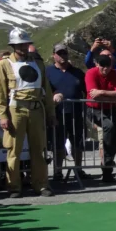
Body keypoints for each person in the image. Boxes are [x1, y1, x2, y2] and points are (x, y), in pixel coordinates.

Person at [0, 29, 56, 197]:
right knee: (14, 150)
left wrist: (51, 113)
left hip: (36, 109)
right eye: (18, 45)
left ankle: (41, 184)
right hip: (15, 109)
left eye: (25, 44)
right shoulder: (3, 64)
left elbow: (46, 90)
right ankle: (14, 186)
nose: (22, 47)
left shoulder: (38, 63)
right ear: (13, 46)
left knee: (39, 149)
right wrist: (3, 115)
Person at [45, 43, 90, 181]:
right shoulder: (48, 72)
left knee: (77, 142)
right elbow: (44, 91)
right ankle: (58, 171)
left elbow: (85, 91)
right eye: (59, 53)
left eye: (64, 53)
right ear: (54, 55)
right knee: (58, 143)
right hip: (57, 114)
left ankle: (78, 169)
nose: (62, 56)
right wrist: (53, 96)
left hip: (76, 113)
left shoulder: (77, 72)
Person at [85, 53, 116, 183]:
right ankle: (107, 162)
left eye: (108, 66)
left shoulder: (115, 74)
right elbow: (93, 96)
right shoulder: (91, 73)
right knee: (109, 126)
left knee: (114, 137)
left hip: (110, 109)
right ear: (97, 65)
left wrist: (102, 92)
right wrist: (113, 97)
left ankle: (108, 171)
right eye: (102, 66)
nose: (105, 69)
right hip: (94, 109)